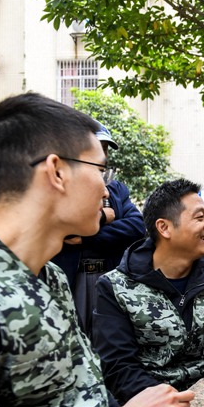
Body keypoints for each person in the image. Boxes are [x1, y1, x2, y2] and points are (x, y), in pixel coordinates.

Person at [0, 92, 192, 407]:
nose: (107, 192)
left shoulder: (51, 276)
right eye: (100, 170)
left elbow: (83, 389)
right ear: (57, 171)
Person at [93, 178, 204, 403]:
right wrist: (174, 405)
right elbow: (120, 368)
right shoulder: (115, 287)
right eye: (199, 217)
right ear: (164, 227)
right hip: (151, 406)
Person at [51, 122, 146, 335]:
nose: (102, 153)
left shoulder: (116, 189)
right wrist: (104, 216)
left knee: (112, 336)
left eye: (105, 148)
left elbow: (136, 226)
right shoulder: (62, 186)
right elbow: (65, 226)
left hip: (109, 272)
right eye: (96, 146)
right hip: (72, 275)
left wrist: (87, 238)